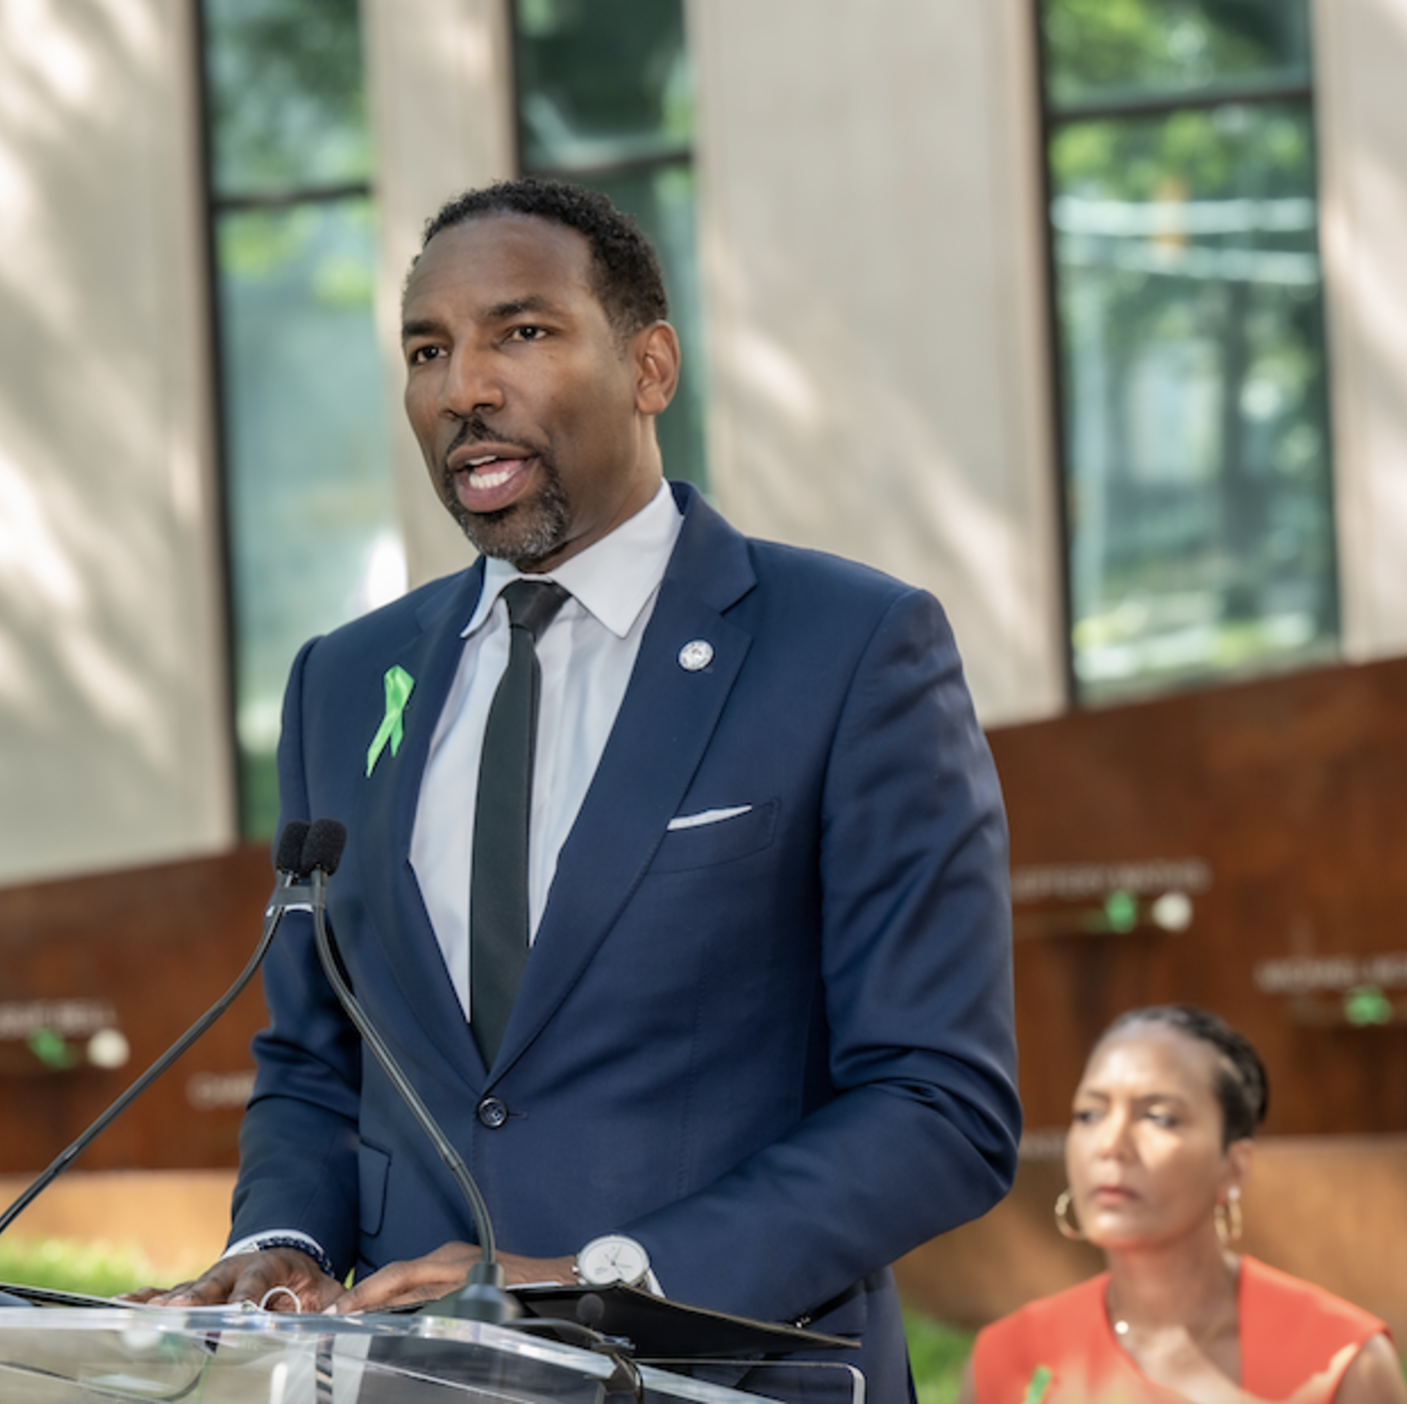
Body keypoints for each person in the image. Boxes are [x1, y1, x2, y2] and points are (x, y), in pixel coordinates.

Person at [140, 177, 1022, 1400]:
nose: (464, 388)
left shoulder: (852, 648)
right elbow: (313, 1062)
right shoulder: (341, 684)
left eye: (523, 332)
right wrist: (277, 1243)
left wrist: (593, 1284)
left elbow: (940, 1102)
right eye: (428, 351)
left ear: (651, 366)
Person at [965, 1007, 1407, 1404]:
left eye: (1159, 1117)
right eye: (1090, 1114)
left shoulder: (1341, 1361)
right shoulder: (1010, 1360)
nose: (1111, 1145)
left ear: (1233, 1168)